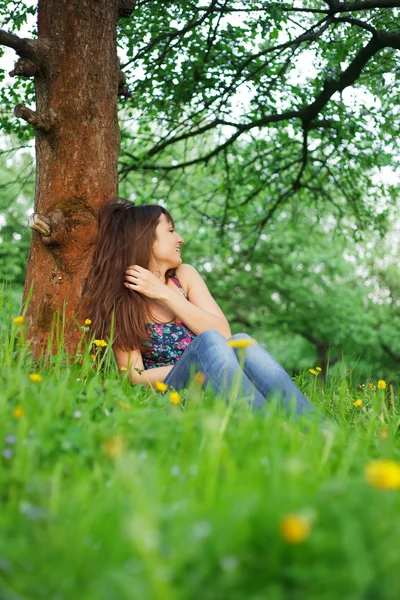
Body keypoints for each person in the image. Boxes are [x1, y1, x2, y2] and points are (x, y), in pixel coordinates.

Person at [86, 197, 318, 417]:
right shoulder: (122, 300)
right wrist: (201, 366)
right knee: (208, 343)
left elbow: (223, 334)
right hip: (172, 394)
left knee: (241, 341)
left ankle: (318, 430)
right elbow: (133, 377)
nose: (180, 239)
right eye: (170, 230)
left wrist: (164, 294)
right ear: (145, 237)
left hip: (219, 384)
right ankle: (272, 428)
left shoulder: (184, 276)